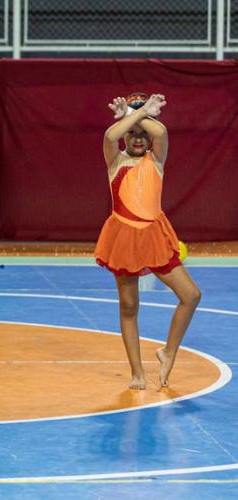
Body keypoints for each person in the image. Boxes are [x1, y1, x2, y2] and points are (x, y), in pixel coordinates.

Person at [95, 93, 202, 389]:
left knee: (191, 295)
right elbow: (109, 135)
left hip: (154, 236)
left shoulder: (157, 160)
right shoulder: (115, 161)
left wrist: (139, 115)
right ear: (125, 135)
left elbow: (161, 132)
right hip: (124, 237)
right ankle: (137, 373)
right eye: (133, 134)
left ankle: (168, 351)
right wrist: (133, 114)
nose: (139, 138)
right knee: (128, 306)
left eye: (144, 134)